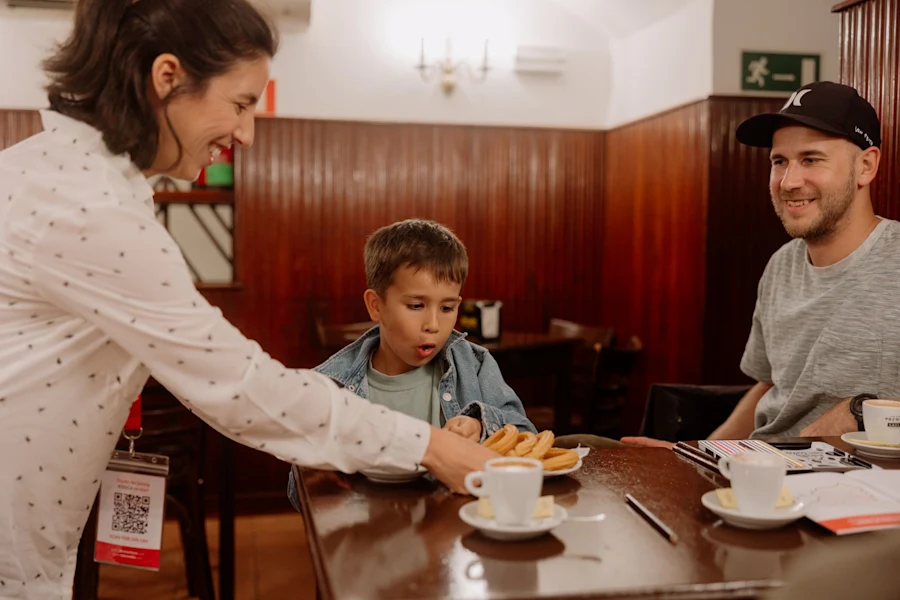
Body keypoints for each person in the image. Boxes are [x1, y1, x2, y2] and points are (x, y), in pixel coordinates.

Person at [0, 1, 494, 596]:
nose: (247, 132)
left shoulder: (58, 173)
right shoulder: (87, 206)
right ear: (168, 78)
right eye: (241, 103)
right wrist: (430, 445)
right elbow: (240, 387)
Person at [623, 81, 900, 448]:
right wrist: (697, 454)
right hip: (764, 471)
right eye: (779, 162)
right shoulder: (781, 265)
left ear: (866, 166)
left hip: (857, 488)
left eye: (811, 159)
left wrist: (862, 410)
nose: (789, 182)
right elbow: (770, 385)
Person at [288, 219, 535, 509]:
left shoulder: (475, 364)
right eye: (416, 306)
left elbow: (525, 435)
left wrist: (481, 425)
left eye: (447, 308)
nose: (432, 325)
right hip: (372, 538)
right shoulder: (333, 384)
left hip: (460, 533)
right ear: (375, 305)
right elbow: (301, 495)